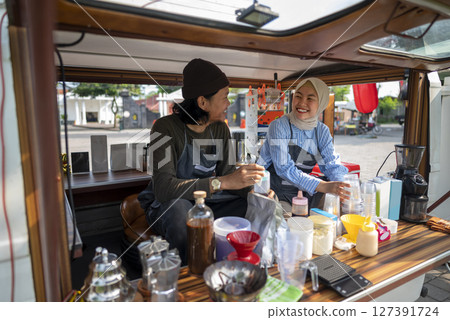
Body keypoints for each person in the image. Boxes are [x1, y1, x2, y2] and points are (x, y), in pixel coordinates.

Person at [138, 58, 269, 264]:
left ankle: (235, 262)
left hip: (207, 202)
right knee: (181, 214)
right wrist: (221, 183)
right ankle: (192, 276)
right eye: (225, 97)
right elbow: (163, 188)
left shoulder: (220, 129)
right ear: (202, 102)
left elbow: (229, 175)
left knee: (250, 207)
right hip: (169, 204)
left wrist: (256, 192)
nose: (229, 103)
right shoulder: (164, 128)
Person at [257, 77, 349, 212]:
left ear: (321, 104)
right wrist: (324, 186)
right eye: (298, 96)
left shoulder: (321, 131)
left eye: (310, 99)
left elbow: (332, 164)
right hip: (274, 191)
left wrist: (342, 187)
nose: (302, 103)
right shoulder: (279, 126)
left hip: (303, 191)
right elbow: (284, 169)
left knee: (336, 211)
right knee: (285, 222)